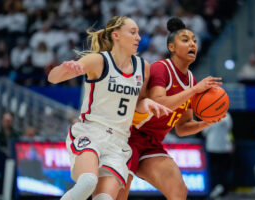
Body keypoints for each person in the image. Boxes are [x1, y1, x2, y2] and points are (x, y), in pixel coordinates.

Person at [47, 16, 171, 200]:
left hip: (119, 142)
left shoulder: (143, 67)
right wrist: (65, 68)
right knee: (88, 181)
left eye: (138, 33)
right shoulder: (98, 61)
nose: (138, 37)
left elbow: (137, 102)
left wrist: (147, 104)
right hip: (91, 131)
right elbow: (53, 78)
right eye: (133, 32)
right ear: (116, 35)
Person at [117, 17, 223, 200]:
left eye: (194, 41)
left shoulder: (191, 80)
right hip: (126, 138)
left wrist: (206, 123)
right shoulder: (161, 69)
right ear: (172, 48)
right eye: (185, 40)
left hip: (151, 144)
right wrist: (195, 91)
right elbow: (159, 104)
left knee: (179, 191)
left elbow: (182, 128)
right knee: (118, 196)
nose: (192, 44)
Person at [202, 112, 234, 198]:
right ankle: (214, 189)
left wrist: (231, 143)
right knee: (213, 171)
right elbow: (204, 132)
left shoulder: (227, 116)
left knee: (223, 171)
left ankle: (223, 191)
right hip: (212, 148)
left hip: (224, 149)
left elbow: (229, 130)